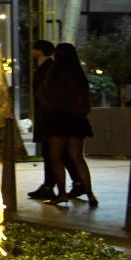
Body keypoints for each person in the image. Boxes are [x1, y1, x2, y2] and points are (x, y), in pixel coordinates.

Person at [37, 42, 97, 207]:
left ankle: (62, 194)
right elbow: (86, 100)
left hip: (57, 119)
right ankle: (90, 194)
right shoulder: (79, 75)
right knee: (78, 158)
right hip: (77, 119)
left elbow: (43, 95)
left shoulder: (54, 73)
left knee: (56, 158)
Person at [27, 39, 60, 200]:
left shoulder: (47, 69)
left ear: (39, 51)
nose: (33, 53)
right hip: (47, 116)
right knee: (54, 153)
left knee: (51, 152)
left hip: (47, 117)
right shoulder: (48, 67)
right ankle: (52, 184)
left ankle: (49, 185)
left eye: (35, 50)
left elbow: (44, 93)